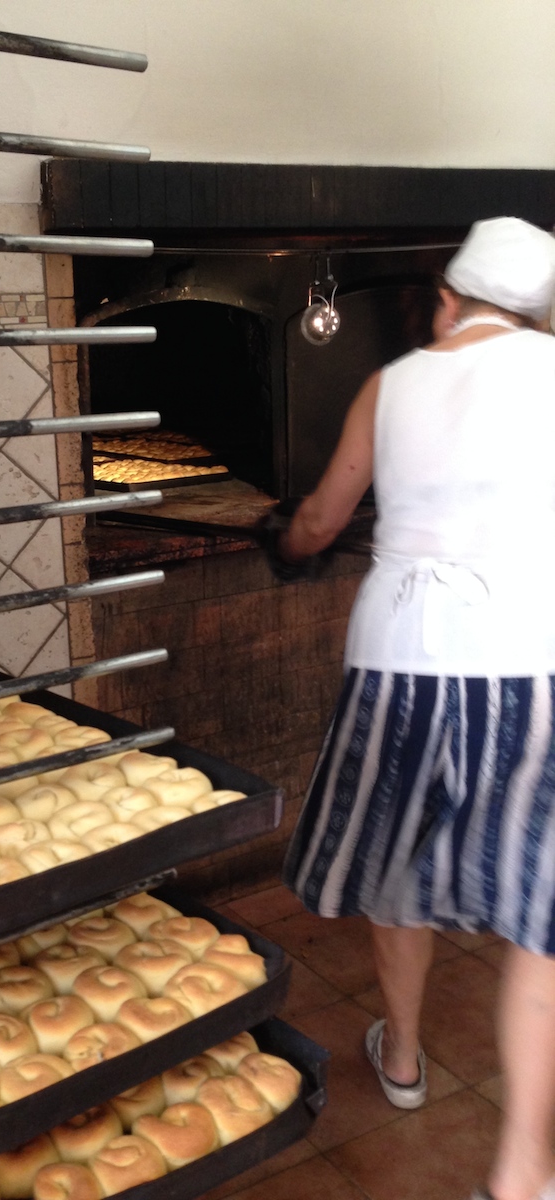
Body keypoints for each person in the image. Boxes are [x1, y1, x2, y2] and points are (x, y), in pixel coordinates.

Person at [278, 216, 555, 1200]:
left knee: (396, 866)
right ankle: (524, 1171)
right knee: (539, 911)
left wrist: (289, 546)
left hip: (401, 660)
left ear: (448, 299)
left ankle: (400, 1056)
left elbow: (320, 519)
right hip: (535, 663)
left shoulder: (391, 384)